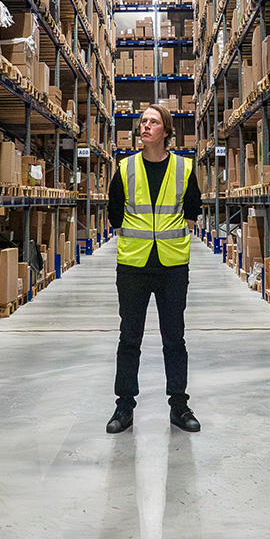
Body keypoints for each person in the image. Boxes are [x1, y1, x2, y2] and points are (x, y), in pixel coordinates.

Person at [106, 104, 202, 434]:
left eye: (153, 121)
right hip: (133, 264)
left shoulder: (184, 168)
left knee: (174, 338)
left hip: (172, 265)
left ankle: (179, 406)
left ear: (166, 131)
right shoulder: (125, 166)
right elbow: (114, 213)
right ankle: (124, 406)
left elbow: (193, 210)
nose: (145, 126)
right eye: (143, 121)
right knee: (129, 338)